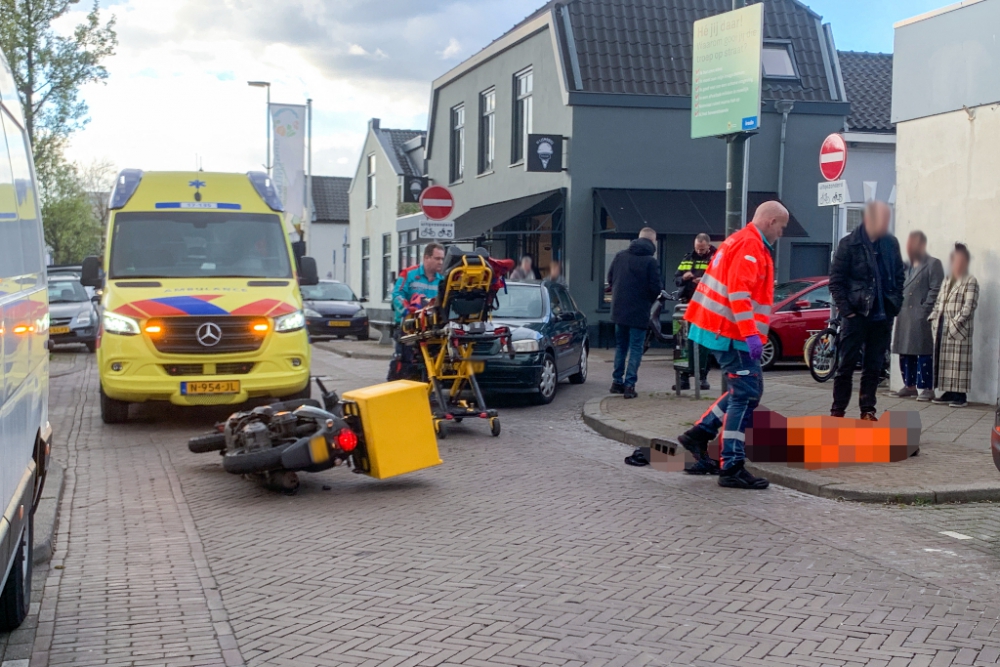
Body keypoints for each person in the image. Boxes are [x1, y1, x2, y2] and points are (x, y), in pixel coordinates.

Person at [668, 202, 789, 488]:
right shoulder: (750, 246)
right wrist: (750, 335)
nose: (782, 234)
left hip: (719, 328)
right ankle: (731, 464)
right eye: (782, 227)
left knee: (745, 391)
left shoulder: (740, 240)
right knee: (745, 396)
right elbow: (738, 293)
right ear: (771, 221)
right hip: (730, 332)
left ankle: (699, 434)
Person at [828, 201, 905, 420]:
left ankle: (867, 409)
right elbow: (836, 281)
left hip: (882, 314)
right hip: (856, 313)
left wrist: (895, 303)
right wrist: (847, 310)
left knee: (874, 365)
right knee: (846, 364)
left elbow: (899, 275)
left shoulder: (890, 243)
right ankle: (838, 410)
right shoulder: (849, 244)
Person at [607, 227, 662, 399]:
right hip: (639, 311)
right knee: (636, 348)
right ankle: (630, 385)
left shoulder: (620, 256)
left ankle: (617, 382)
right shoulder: (650, 261)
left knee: (621, 346)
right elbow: (656, 288)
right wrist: (647, 300)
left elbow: (610, 278)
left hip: (618, 309)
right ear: (653, 241)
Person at [890, 231, 943, 401]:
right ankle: (909, 385)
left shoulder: (933, 264)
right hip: (904, 313)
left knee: (923, 351)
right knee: (905, 351)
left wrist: (925, 309)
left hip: (920, 315)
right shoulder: (906, 266)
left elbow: (936, 288)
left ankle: (927, 388)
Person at [929, 243, 979, 407]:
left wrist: (955, 322)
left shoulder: (970, 280)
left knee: (958, 363)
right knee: (945, 362)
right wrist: (934, 318)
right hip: (942, 327)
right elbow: (938, 302)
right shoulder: (947, 279)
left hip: (959, 329)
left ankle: (960, 396)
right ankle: (948, 391)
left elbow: (969, 305)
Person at [387, 243, 445, 381]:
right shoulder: (409, 274)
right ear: (426, 258)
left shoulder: (442, 281)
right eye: (437, 258)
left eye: (442, 259)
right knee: (405, 361)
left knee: (431, 364)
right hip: (408, 328)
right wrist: (408, 310)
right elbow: (397, 295)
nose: (441, 262)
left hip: (431, 329)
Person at [673, 233, 717, 391]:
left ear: (708, 246)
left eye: (703, 249)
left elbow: (720, 279)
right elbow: (676, 279)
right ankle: (683, 378)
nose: (700, 251)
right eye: (697, 248)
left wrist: (704, 281)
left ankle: (702, 377)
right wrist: (684, 278)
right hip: (686, 304)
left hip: (705, 305)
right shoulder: (687, 258)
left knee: (703, 343)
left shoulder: (715, 258)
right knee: (683, 342)